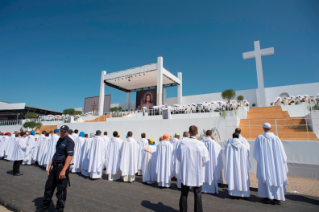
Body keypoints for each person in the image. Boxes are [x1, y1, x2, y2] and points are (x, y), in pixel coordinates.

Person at [36, 125, 75, 212]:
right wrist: (50, 164)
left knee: (60, 190)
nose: (62, 133)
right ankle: (44, 207)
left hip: (61, 167)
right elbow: (57, 153)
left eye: (64, 131)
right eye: (61, 131)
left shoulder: (69, 141)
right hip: (55, 166)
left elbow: (69, 157)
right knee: (48, 187)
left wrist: (64, 170)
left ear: (68, 132)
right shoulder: (59, 140)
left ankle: (59, 209)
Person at [176, 125, 209, 212]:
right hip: (197, 172)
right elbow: (206, 159)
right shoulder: (200, 144)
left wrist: (185, 163)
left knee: (184, 193)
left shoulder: (183, 143)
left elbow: (178, 157)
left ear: (189, 132)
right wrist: (199, 164)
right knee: (197, 194)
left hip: (185, 171)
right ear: (197, 133)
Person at [253, 123, 288, 204]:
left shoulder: (259, 138)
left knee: (264, 176)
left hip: (264, 162)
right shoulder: (276, 138)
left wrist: (261, 160)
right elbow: (282, 153)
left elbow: (256, 153)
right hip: (276, 163)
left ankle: (265, 196)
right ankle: (277, 197)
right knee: (276, 176)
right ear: (270, 128)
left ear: (263, 128)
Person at [224, 133, 251, 198]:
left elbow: (226, 155)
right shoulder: (243, 146)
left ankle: (233, 193)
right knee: (242, 177)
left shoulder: (229, 146)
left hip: (232, 165)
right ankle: (243, 193)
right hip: (242, 165)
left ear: (232, 137)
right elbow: (246, 157)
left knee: (232, 177)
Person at [202, 130, 223, 194]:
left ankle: (203, 188)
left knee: (203, 173)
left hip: (203, 162)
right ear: (211, 135)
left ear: (205, 134)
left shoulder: (201, 142)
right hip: (211, 162)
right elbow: (217, 153)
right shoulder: (214, 143)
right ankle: (211, 188)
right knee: (211, 173)